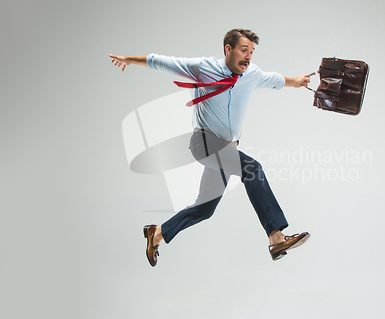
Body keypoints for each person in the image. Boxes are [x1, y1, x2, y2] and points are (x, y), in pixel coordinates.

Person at [109, 28, 312, 266]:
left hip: (226, 149)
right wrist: (129, 60)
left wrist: (297, 82)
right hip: (204, 142)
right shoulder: (203, 68)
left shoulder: (252, 74)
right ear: (229, 49)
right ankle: (276, 237)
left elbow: (276, 80)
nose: (248, 57)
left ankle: (157, 233)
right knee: (252, 169)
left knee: (204, 209)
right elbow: (161, 62)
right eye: (244, 50)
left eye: (252, 52)